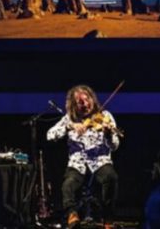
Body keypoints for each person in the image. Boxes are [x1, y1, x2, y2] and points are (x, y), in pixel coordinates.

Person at [47, 85, 120, 228]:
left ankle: (108, 220)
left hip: (100, 160)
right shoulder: (69, 119)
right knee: (68, 184)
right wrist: (70, 127)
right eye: (80, 102)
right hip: (77, 162)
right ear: (74, 105)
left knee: (111, 177)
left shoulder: (105, 116)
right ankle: (72, 215)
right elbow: (49, 135)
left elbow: (114, 146)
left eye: (88, 100)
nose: (86, 104)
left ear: (92, 99)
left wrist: (108, 134)